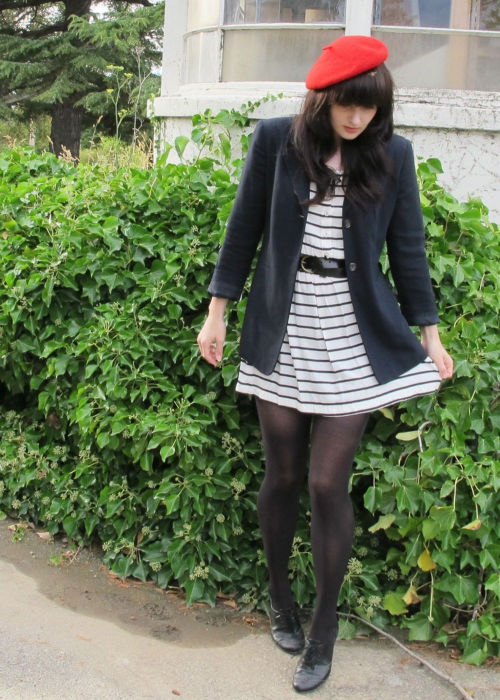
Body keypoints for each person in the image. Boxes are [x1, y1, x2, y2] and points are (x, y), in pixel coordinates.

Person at [197, 35, 453, 693]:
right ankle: (280, 599)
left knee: (323, 484)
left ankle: (324, 628)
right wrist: (217, 311)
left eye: (368, 109)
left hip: (351, 334)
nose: (355, 119)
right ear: (324, 96)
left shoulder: (393, 156)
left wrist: (430, 334)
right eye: (346, 105)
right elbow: (243, 227)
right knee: (282, 475)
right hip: (284, 328)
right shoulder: (277, 140)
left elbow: (411, 251)